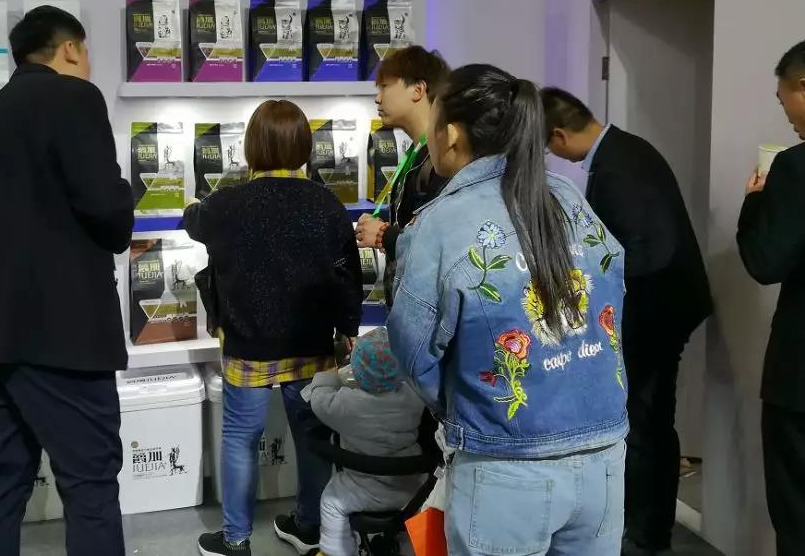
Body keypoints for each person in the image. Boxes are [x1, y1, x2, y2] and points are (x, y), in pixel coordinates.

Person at [388, 64, 629, 556]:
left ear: (451, 134)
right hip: (604, 457)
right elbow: (610, 299)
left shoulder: (440, 224)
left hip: (505, 465)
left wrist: (469, 403)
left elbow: (414, 352)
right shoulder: (569, 198)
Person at [0, 7, 134, 556]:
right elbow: (109, 213)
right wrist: (122, 195)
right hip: (64, 337)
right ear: (70, 49)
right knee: (90, 482)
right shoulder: (76, 99)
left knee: (2, 480)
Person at [184, 99, 363, 556]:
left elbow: (194, 222)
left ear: (252, 147)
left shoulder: (227, 204)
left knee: (240, 439)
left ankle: (235, 539)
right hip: (311, 343)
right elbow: (348, 274)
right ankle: (309, 526)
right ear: (304, 147)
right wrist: (349, 327)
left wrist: (190, 207)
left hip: (248, 344)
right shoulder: (326, 204)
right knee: (312, 436)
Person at [542, 87, 713, 555]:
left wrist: (594, 288)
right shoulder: (625, 149)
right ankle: (647, 528)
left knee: (644, 423)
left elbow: (649, 252)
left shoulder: (617, 167)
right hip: (665, 307)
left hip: (657, 311)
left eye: (549, 147)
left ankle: (645, 534)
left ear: (558, 135)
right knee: (650, 421)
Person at [737, 39, 805, 556]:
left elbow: (766, 262)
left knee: (797, 511)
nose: (787, 114)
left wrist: (754, 205)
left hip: (800, 381)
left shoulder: (796, 167)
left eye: (785, 101)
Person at [301, 326, 425, 556]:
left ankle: (335, 552)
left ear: (356, 369)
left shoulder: (346, 405)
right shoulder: (413, 397)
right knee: (415, 514)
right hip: (411, 486)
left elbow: (318, 399)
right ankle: (409, 548)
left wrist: (332, 373)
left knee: (331, 501)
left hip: (363, 489)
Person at [355, 46, 450, 305]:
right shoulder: (417, 153)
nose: (377, 98)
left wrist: (383, 234)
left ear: (418, 90)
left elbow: (436, 243)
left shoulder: (441, 161)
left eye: (385, 87)